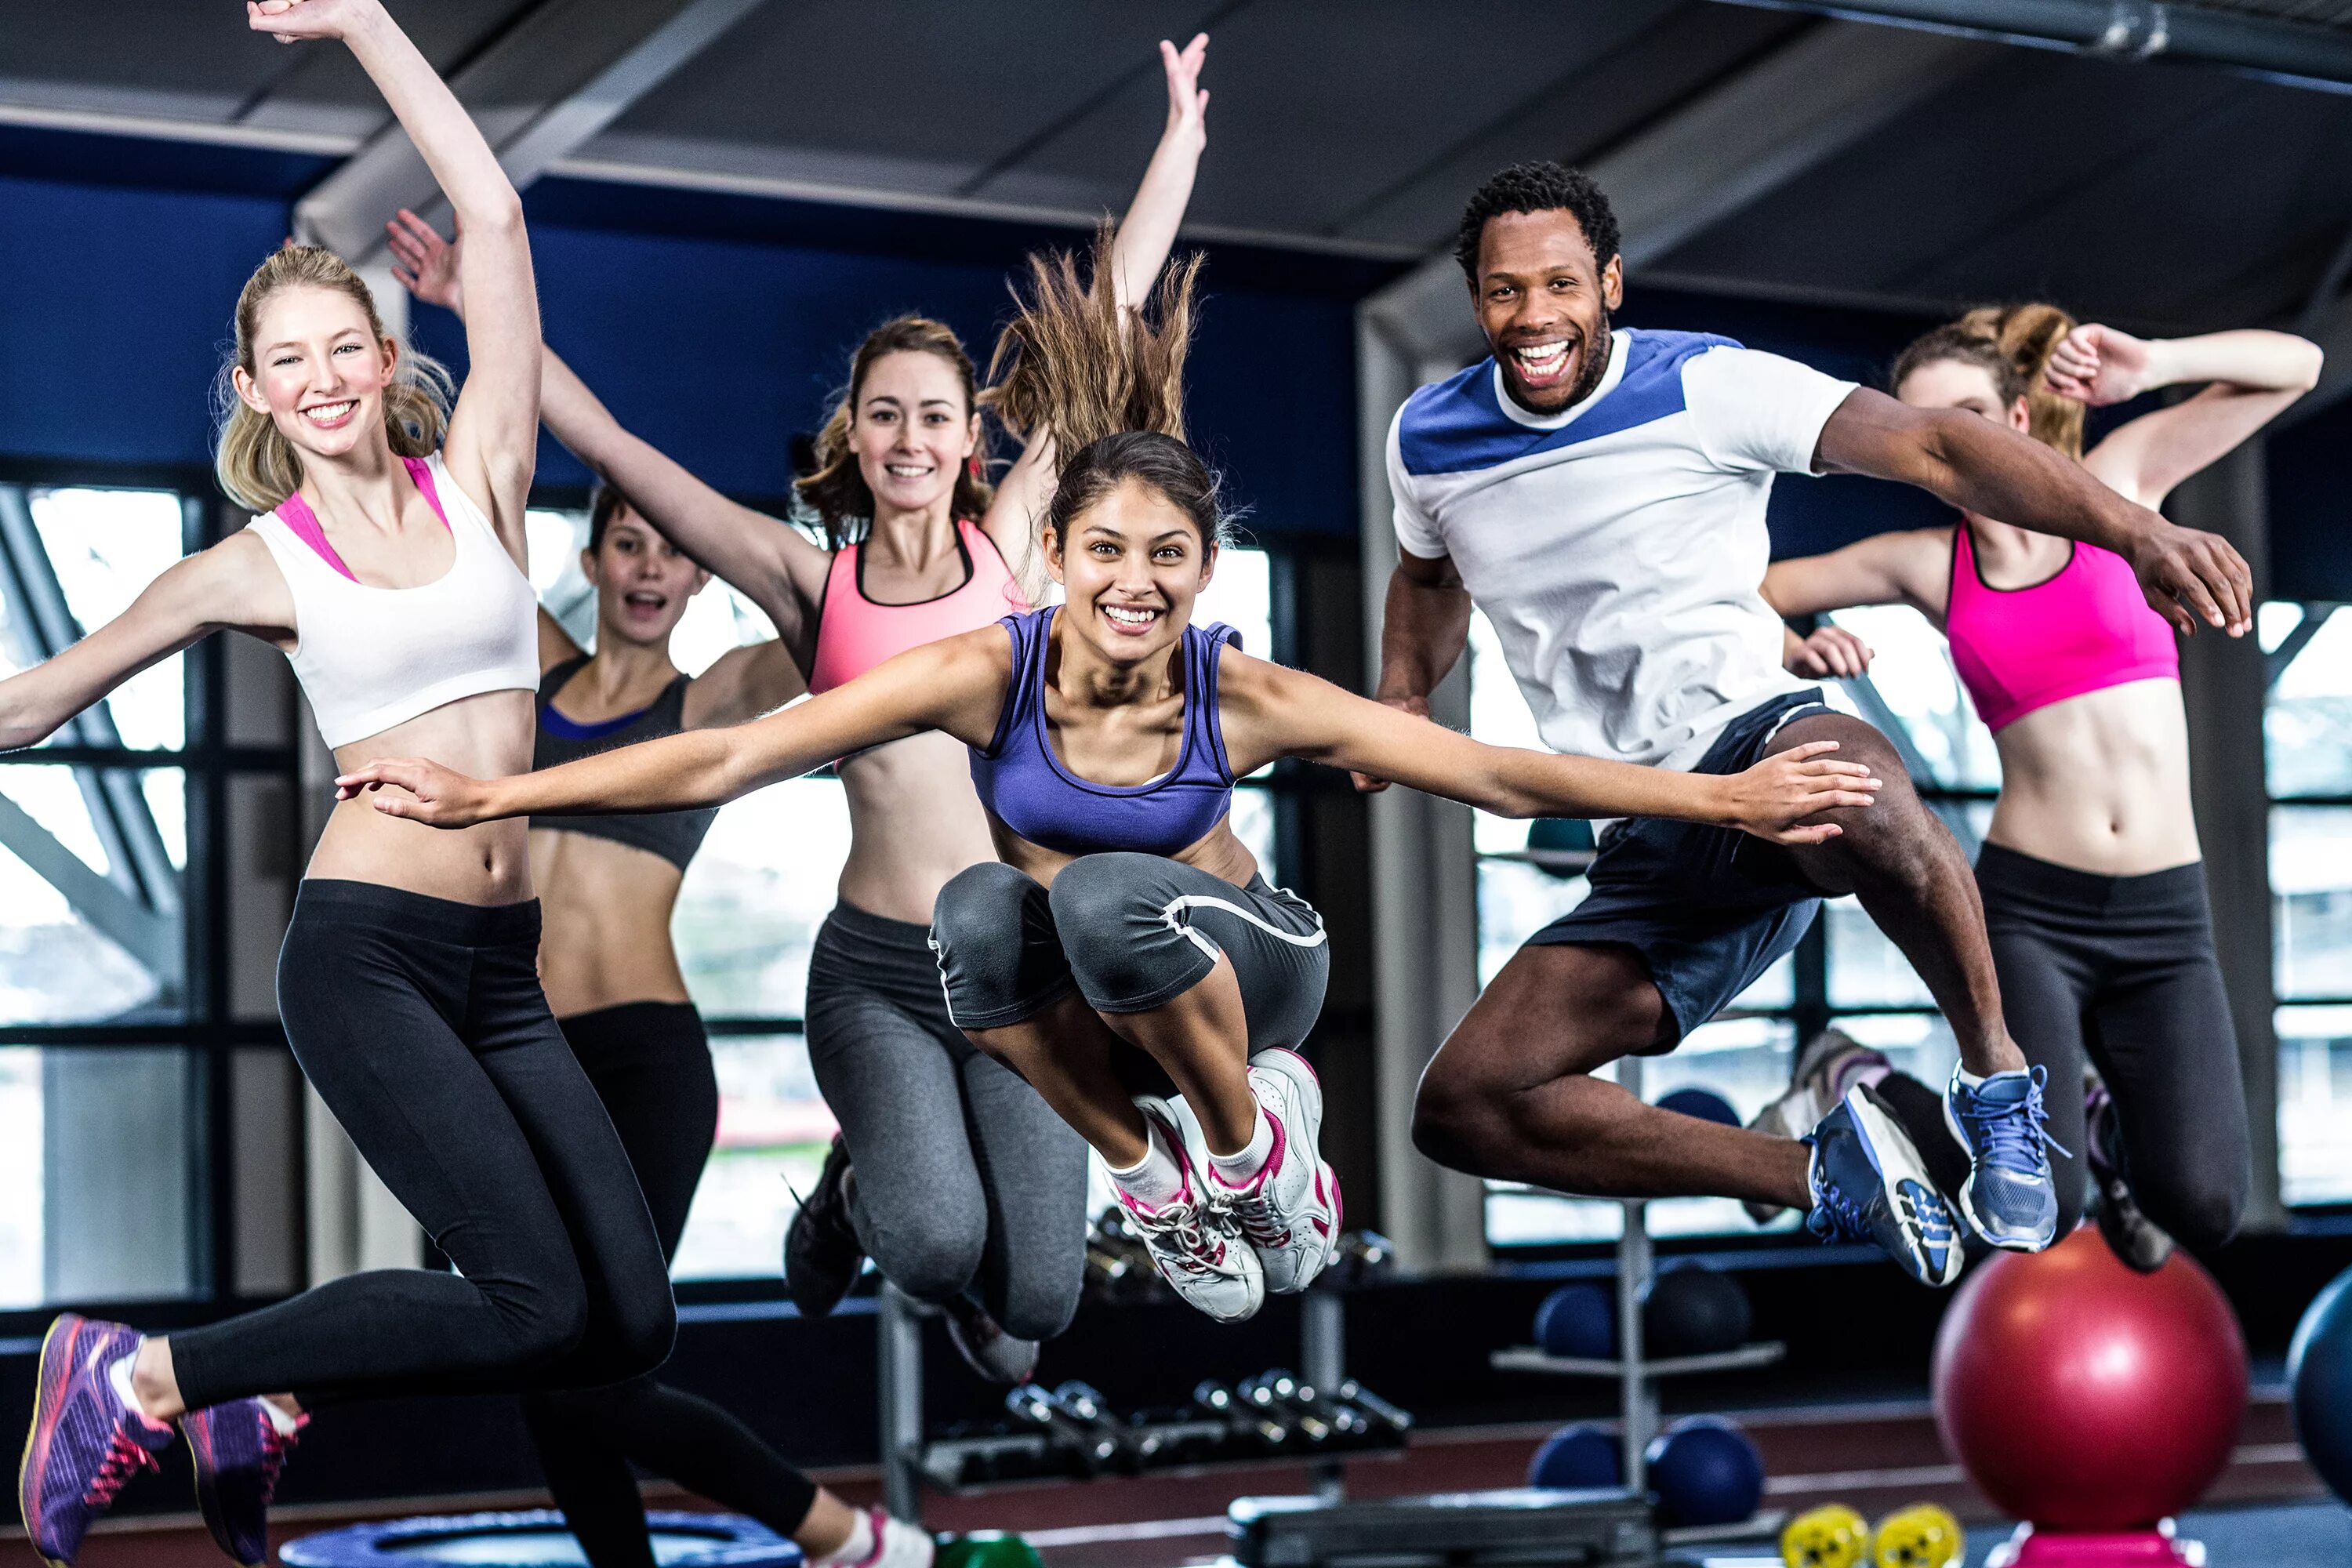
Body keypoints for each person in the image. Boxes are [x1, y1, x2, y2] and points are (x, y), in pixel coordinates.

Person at [336, 234, 1888, 1325]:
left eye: (1166, 558)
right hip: (1079, 998)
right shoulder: (971, 661)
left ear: (1203, 570)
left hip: (1250, 974)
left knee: (1111, 897)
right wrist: (498, 798)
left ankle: (1257, 1140)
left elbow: (1487, 766)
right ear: (1054, 562)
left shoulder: (1246, 688)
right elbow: (735, 747)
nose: (1132, 583)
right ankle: (1152, 1175)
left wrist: (1719, 797)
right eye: (1104, 555)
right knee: (984, 924)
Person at [384, 31, 1217, 1381]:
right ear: (857, 437)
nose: (907, 439)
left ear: (967, 442)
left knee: (1043, 1305)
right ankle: (854, 1194)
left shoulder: (1009, 555)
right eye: (883, 416)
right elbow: (613, 449)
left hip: (1016, 966)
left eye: (933, 418)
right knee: (940, 1245)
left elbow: (1109, 317)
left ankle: (893, 1209)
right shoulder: (801, 582)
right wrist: (477, 308)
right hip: (880, 972)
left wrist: (1178, 137)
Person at [16, 4, 674, 1566]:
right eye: (284, 363)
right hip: (366, 952)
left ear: (388, 359)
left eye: (341, 349)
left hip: (501, 974)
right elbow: (44, 693)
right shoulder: (256, 563)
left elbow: (495, 214)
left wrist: (365, 19)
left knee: (625, 1317)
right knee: (530, 1294)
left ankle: (256, 1395)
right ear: (255, 393)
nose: (318, 380)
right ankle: (150, 1374)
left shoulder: (489, 476)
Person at [1368, 161, 2256, 1286]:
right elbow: (1427, 573)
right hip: (1642, 828)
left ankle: (1995, 1081)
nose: (1534, 316)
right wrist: (1404, 693)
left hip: (1758, 745)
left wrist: (2133, 532)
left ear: (1611, 283)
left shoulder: (1710, 385)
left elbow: (1937, 448)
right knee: (1463, 1105)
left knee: (1863, 792)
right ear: (1476, 298)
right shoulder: (1428, 438)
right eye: (1504, 292)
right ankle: (1816, 1173)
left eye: (1560, 284)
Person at [1757, 305, 2317, 1267]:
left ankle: (2097, 1127)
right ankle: (1849, 1075)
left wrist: (2159, 361)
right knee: (2042, 1205)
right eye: (1937, 432)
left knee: (2208, 1200)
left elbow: (2298, 365)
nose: (1962, 446)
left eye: (1976, 416)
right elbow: (1754, 587)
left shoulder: (2119, 487)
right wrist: (1793, 647)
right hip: (2030, 912)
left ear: (2018, 421)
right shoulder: (1931, 565)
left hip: (2164, 914)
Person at [521, 490, 927, 1566]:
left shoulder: (710, 699)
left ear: (702, 575)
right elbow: (449, 542)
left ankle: (839, 1534)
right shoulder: (541, 671)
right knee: (545, 1373)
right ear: (593, 556)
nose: (651, 569)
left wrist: (858, 528)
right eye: (629, 545)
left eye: (674, 553)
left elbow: (830, 640)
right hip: (519, 1061)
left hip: (642, 1064)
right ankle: (832, 1540)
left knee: (589, 1370)